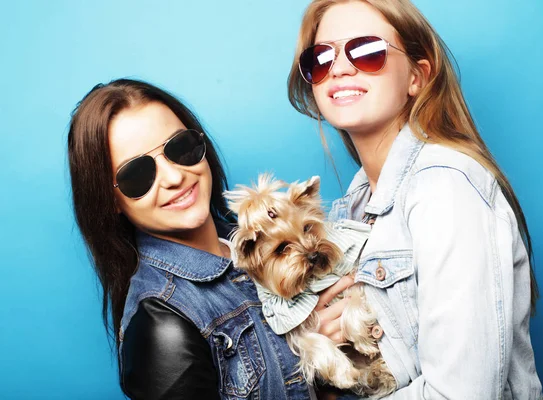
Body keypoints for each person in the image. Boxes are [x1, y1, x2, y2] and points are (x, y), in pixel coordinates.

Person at [288, 1, 543, 398]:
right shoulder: (355, 205)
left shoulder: (444, 187)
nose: (338, 68)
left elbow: (461, 393)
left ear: (417, 77)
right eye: (321, 58)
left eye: (367, 50)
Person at [67, 78, 351, 399]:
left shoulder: (256, 240)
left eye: (180, 147)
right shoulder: (161, 327)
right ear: (110, 199)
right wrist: (308, 353)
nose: (175, 177)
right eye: (137, 175)